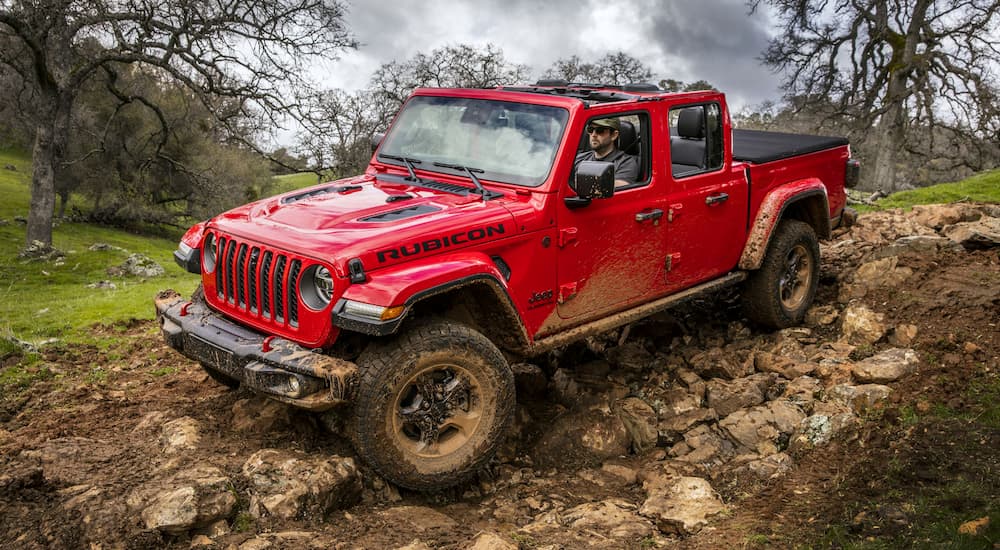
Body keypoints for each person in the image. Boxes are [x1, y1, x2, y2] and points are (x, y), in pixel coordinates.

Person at [574, 117, 639, 187]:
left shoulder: (626, 163)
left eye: (600, 130)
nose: (593, 135)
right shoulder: (579, 158)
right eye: (590, 130)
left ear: (614, 135)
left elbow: (620, 186)